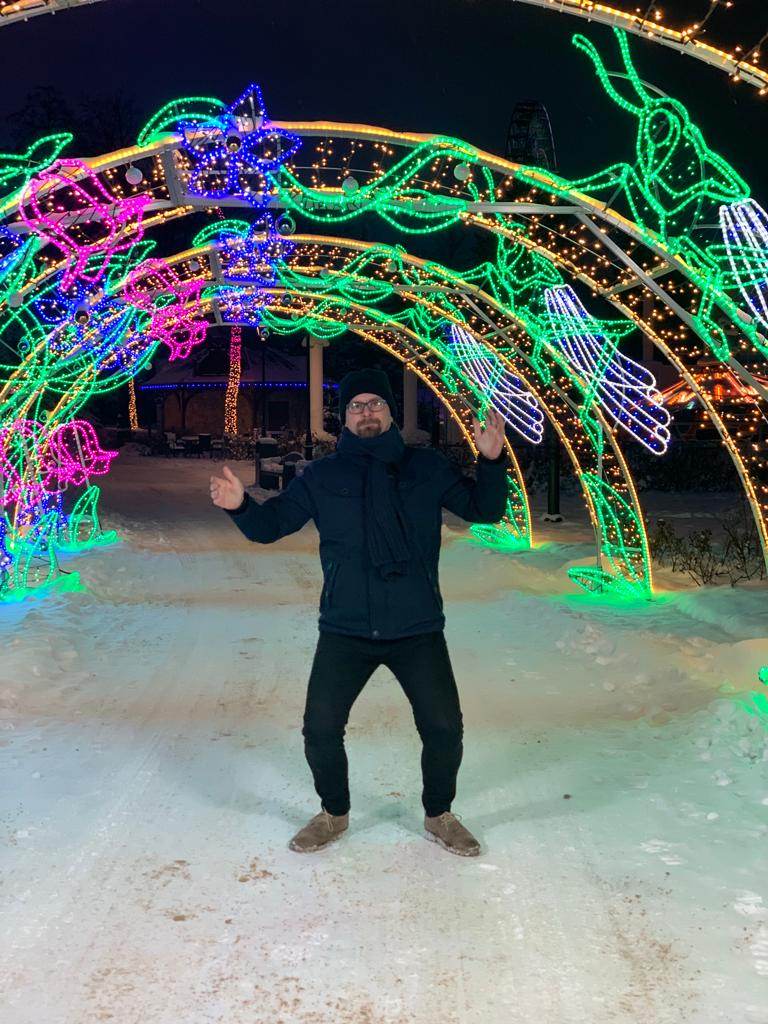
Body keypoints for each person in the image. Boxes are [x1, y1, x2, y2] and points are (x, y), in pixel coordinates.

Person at [210, 368, 509, 857]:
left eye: (375, 403)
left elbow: (485, 510)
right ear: (343, 417)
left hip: (416, 627)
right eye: (356, 405)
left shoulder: (426, 467)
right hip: (346, 629)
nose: (366, 411)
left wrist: (491, 461)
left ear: (390, 412)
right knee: (320, 730)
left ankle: (439, 814)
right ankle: (334, 812)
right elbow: (271, 526)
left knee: (443, 728)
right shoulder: (322, 477)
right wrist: (241, 506)